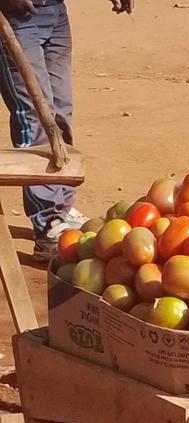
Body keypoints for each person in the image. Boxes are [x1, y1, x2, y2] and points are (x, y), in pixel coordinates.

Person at [0, 0, 133, 260]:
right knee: (35, 116)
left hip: (55, 12)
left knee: (60, 111)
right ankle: (47, 222)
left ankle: (61, 204)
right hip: (16, 15)